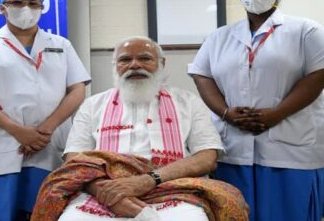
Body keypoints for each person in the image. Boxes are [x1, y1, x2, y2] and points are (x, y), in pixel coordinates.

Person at [31, 36, 249, 221]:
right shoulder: (93, 105)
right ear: (115, 66)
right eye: (125, 59)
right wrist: (112, 195)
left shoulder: (187, 101)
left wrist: (146, 181)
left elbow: (206, 157)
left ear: (162, 63)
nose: (135, 65)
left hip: (173, 187)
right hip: (103, 189)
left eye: (145, 58)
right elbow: (75, 161)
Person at [188, 0, 324, 221]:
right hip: (233, 146)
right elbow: (201, 75)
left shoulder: (306, 30)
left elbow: (318, 75)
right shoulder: (220, 36)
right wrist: (226, 112)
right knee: (235, 212)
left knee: (289, 213)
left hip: (290, 148)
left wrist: (276, 114)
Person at [0, 0, 91, 220]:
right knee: (5, 213)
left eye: (33, 3)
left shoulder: (61, 44)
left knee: (51, 211)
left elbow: (77, 89)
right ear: (2, 7)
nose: (26, 8)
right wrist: (18, 131)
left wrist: (46, 128)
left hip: (50, 142)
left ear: (42, 8)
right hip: (4, 142)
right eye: (17, 1)